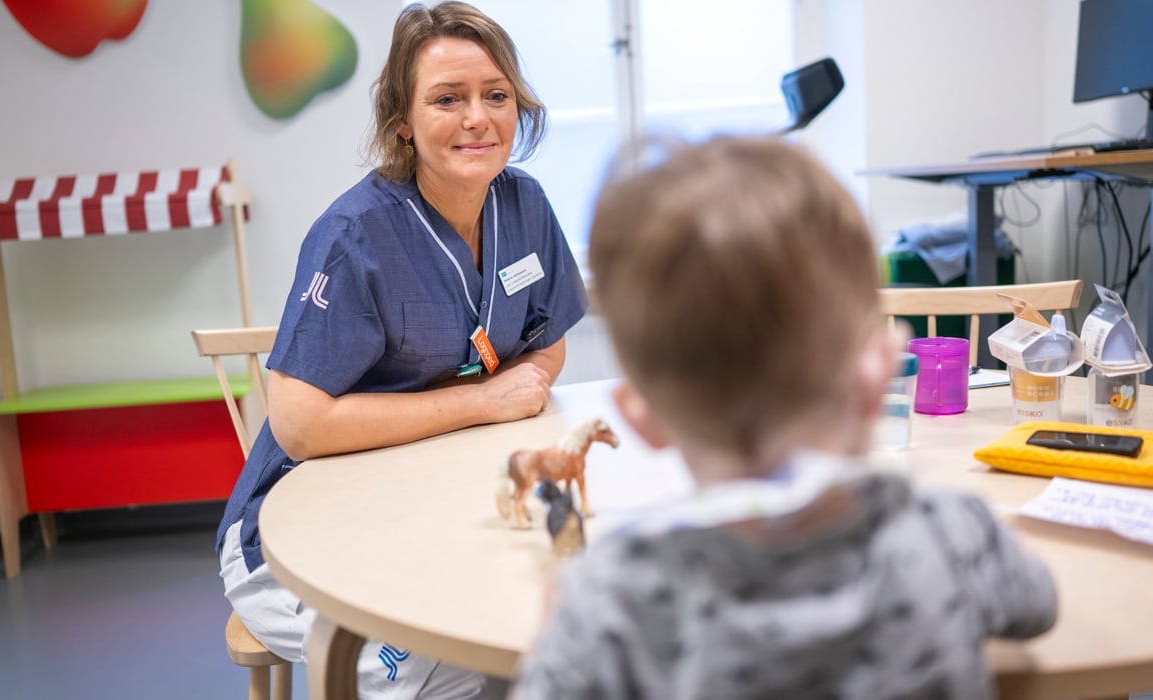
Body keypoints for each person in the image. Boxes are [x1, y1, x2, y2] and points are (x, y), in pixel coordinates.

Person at [513, 136, 1057, 699]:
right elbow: (1038, 606)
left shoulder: (607, 602)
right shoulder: (953, 535)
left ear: (640, 416)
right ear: (880, 375)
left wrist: (556, 632)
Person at [218, 2, 588, 696]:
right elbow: (298, 426)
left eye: (496, 95)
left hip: (433, 507)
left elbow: (548, 346)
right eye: (447, 99)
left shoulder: (526, 206)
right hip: (295, 537)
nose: (478, 117)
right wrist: (480, 402)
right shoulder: (355, 236)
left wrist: (520, 385)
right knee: (430, 654)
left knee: (545, 626)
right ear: (402, 124)